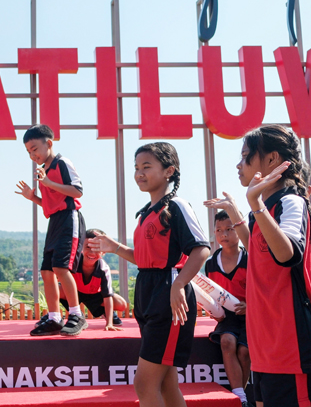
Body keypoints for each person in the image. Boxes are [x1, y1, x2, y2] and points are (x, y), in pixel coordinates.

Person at [205, 125, 311, 407]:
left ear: (272, 159)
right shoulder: (265, 207)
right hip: (265, 343)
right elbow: (261, 254)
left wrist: (254, 204)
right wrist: (241, 212)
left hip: (291, 345)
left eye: (246, 157)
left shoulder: (290, 202)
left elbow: (286, 254)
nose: (239, 165)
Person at [88, 142, 210, 407]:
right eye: (136, 168)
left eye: (146, 167)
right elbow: (146, 260)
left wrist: (178, 284)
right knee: (166, 383)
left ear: (169, 171)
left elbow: (201, 249)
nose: (139, 173)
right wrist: (116, 247)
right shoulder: (146, 213)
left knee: (144, 384)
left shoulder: (177, 206)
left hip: (168, 298)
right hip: (149, 292)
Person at [15, 124, 88, 336]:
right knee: (46, 271)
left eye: (35, 148)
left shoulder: (62, 163)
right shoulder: (44, 172)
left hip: (69, 218)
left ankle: (76, 315)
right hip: (54, 221)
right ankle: (55, 317)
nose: (32, 154)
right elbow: (50, 203)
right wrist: (33, 197)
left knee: (61, 269)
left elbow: (77, 191)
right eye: (28, 151)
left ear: (49, 143)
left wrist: (48, 182)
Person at [206, 211, 250, 406]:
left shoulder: (252, 259)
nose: (224, 234)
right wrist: (212, 310)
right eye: (219, 230)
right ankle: (240, 396)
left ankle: (244, 393)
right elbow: (210, 294)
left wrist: (250, 306)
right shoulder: (210, 264)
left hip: (253, 315)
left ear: (239, 231)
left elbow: (264, 289)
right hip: (227, 317)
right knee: (227, 342)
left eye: (229, 229)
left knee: (244, 352)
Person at [57, 228, 127, 331]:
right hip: (74, 294)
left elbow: (107, 297)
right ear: (80, 247)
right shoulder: (73, 263)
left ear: (104, 252)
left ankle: (106, 313)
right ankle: (73, 315)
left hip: (95, 296)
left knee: (122, 304)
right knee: (56, 288)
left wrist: (109, 323)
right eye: (88, 247)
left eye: (97, 248)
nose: (92, 252)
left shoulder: (104, 269)